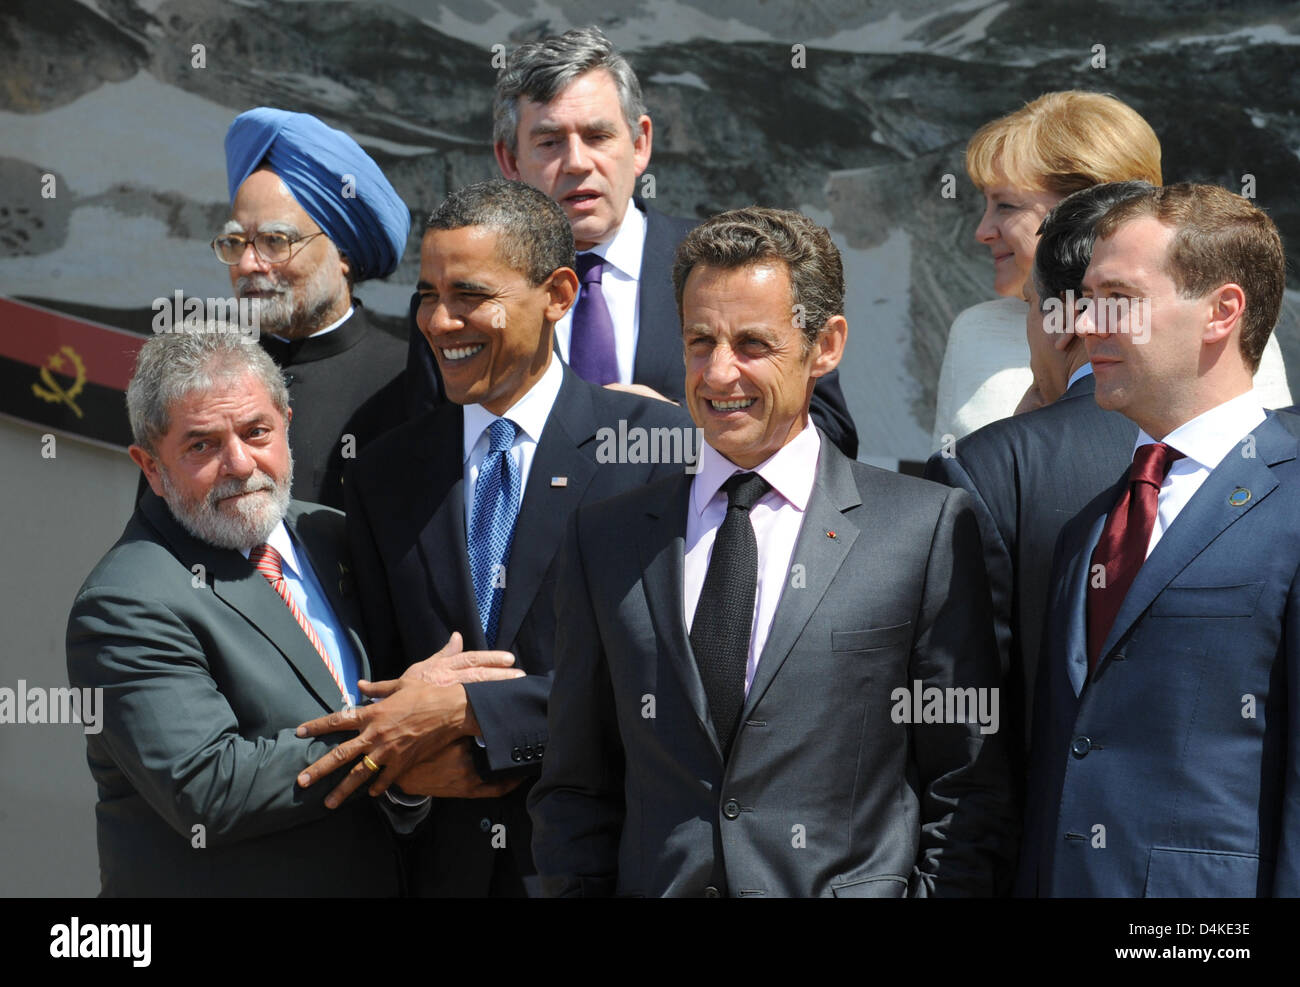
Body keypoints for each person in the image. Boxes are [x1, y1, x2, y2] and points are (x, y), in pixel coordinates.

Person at [528, 206, 1014, 897]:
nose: (719, 373)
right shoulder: (606, 538)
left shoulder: (924, 529)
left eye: (753, 343)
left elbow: (967, 786)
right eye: (700, 341)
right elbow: (575, 785)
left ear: (826, 345)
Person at [293, 179, 694, 897]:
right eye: (426, 295)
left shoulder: (656, 453)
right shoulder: (385, 473)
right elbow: (384, 688)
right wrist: (408, 781)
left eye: (470, 295)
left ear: (559, 295)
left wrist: (475, 713)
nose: (441, 322)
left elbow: (667, 681)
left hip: (609, 869)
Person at [1018, 183, 1300, 897]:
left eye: (1117, 296)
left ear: (1222, 311)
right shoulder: (1093, 524)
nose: (1084, 322)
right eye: (1084, 297)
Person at [66, 331, 422, 895]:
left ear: (286, 421)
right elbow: (207, 790)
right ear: (151, 467)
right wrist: (397, 734)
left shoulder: (334, 534)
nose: (239, 464)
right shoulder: (124, 604)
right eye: (201, 445)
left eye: (256, 432)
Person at [405, 26, 859, 459]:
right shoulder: (457, 301)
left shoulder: (728, 271)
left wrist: (682, 433)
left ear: (640, 143)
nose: (577, 162)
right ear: (509, 159)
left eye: (598, 136)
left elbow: (829, 435)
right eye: (549, 142)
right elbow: (432, 449)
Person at [924, 182, 1145, 786]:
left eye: (1030, 304)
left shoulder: (988, 468)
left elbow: (959, 721)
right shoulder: (1259, 458)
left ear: (1063, 322)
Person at [930, 90, 1290, 449]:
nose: (982, 232)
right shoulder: (977, 330)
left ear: (1092, 205)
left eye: (1006, 206)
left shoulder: (1215, 322)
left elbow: (1265, 473)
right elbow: (950, 494)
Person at [218, 107, 413, 509]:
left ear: (342, 252)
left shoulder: (410, 384)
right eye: (236, 243)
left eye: (275, 241)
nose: (250, 264)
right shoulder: (202, 376)